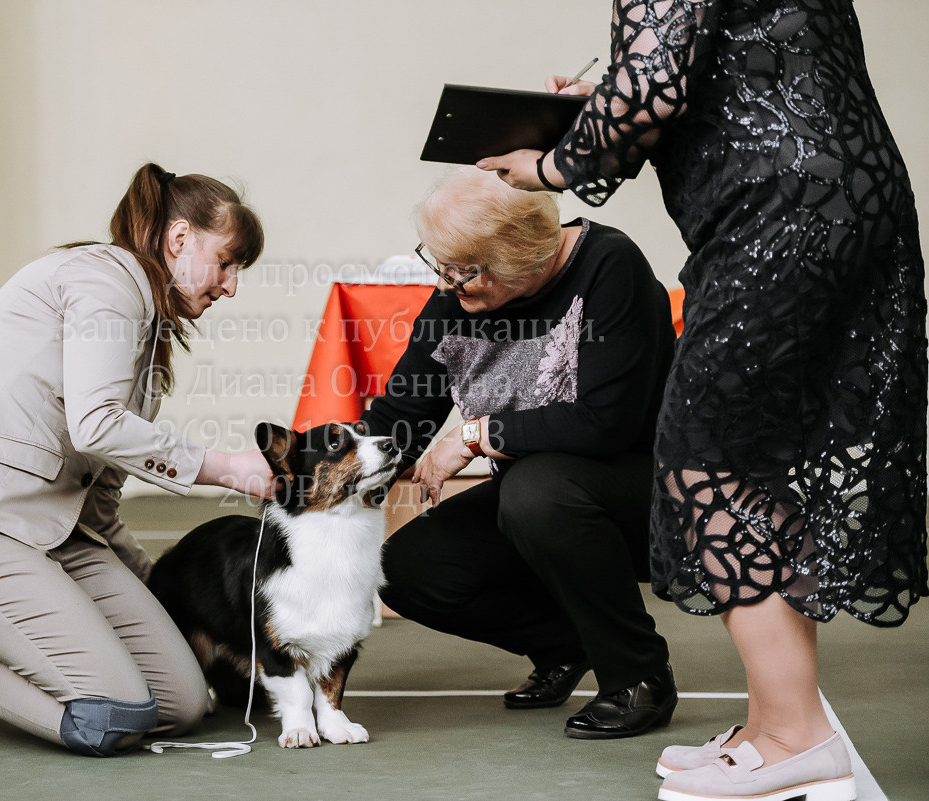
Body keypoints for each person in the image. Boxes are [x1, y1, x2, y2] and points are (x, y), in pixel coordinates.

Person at [478, 3, 926, 800]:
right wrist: (601, 110)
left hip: (780, 212)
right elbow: (725, 71)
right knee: (753, 462)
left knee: (700, 460)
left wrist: (547, 165)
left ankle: (796, 732)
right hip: (845, 195)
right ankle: (775, 721)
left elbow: (650, 93)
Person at [0, 163, 275, 756]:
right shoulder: (109, 281)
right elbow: (96, 424)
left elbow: (97, 501)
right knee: (114, 717)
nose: (230, 286)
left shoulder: (149, 348)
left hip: (53, 535)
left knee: (181, 704)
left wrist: (156, 590)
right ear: (179, 239)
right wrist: (228, 467)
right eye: (227, 262)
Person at [361, 166, 679, 739]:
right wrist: (314, 482)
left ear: (517, 255)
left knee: (538, 492)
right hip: (540, 497)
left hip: (645, 493)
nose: (449, 285)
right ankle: (567, 643)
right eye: (444, 267)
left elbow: (603, 424)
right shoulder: (457, 300)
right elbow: (400, 416)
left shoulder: (609, 267)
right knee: (408, 568)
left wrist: (473, 436)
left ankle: (639, 676)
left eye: (465, 271)